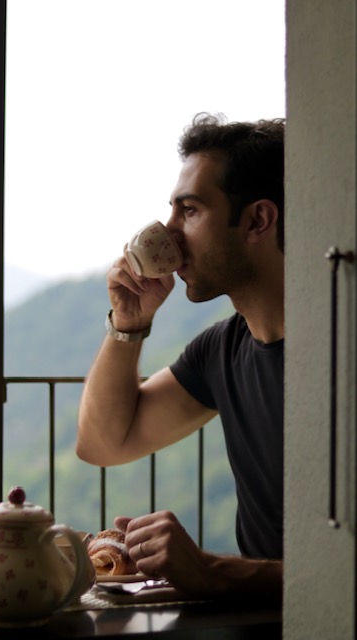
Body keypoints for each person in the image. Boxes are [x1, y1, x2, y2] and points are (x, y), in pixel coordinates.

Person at [76, 113, 285, 606]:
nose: (169, 233)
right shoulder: (223, 350)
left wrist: (213, 571)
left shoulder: (339, 349)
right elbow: (104, 443)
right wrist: (128, 322)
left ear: (257, 220)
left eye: (188, 211)